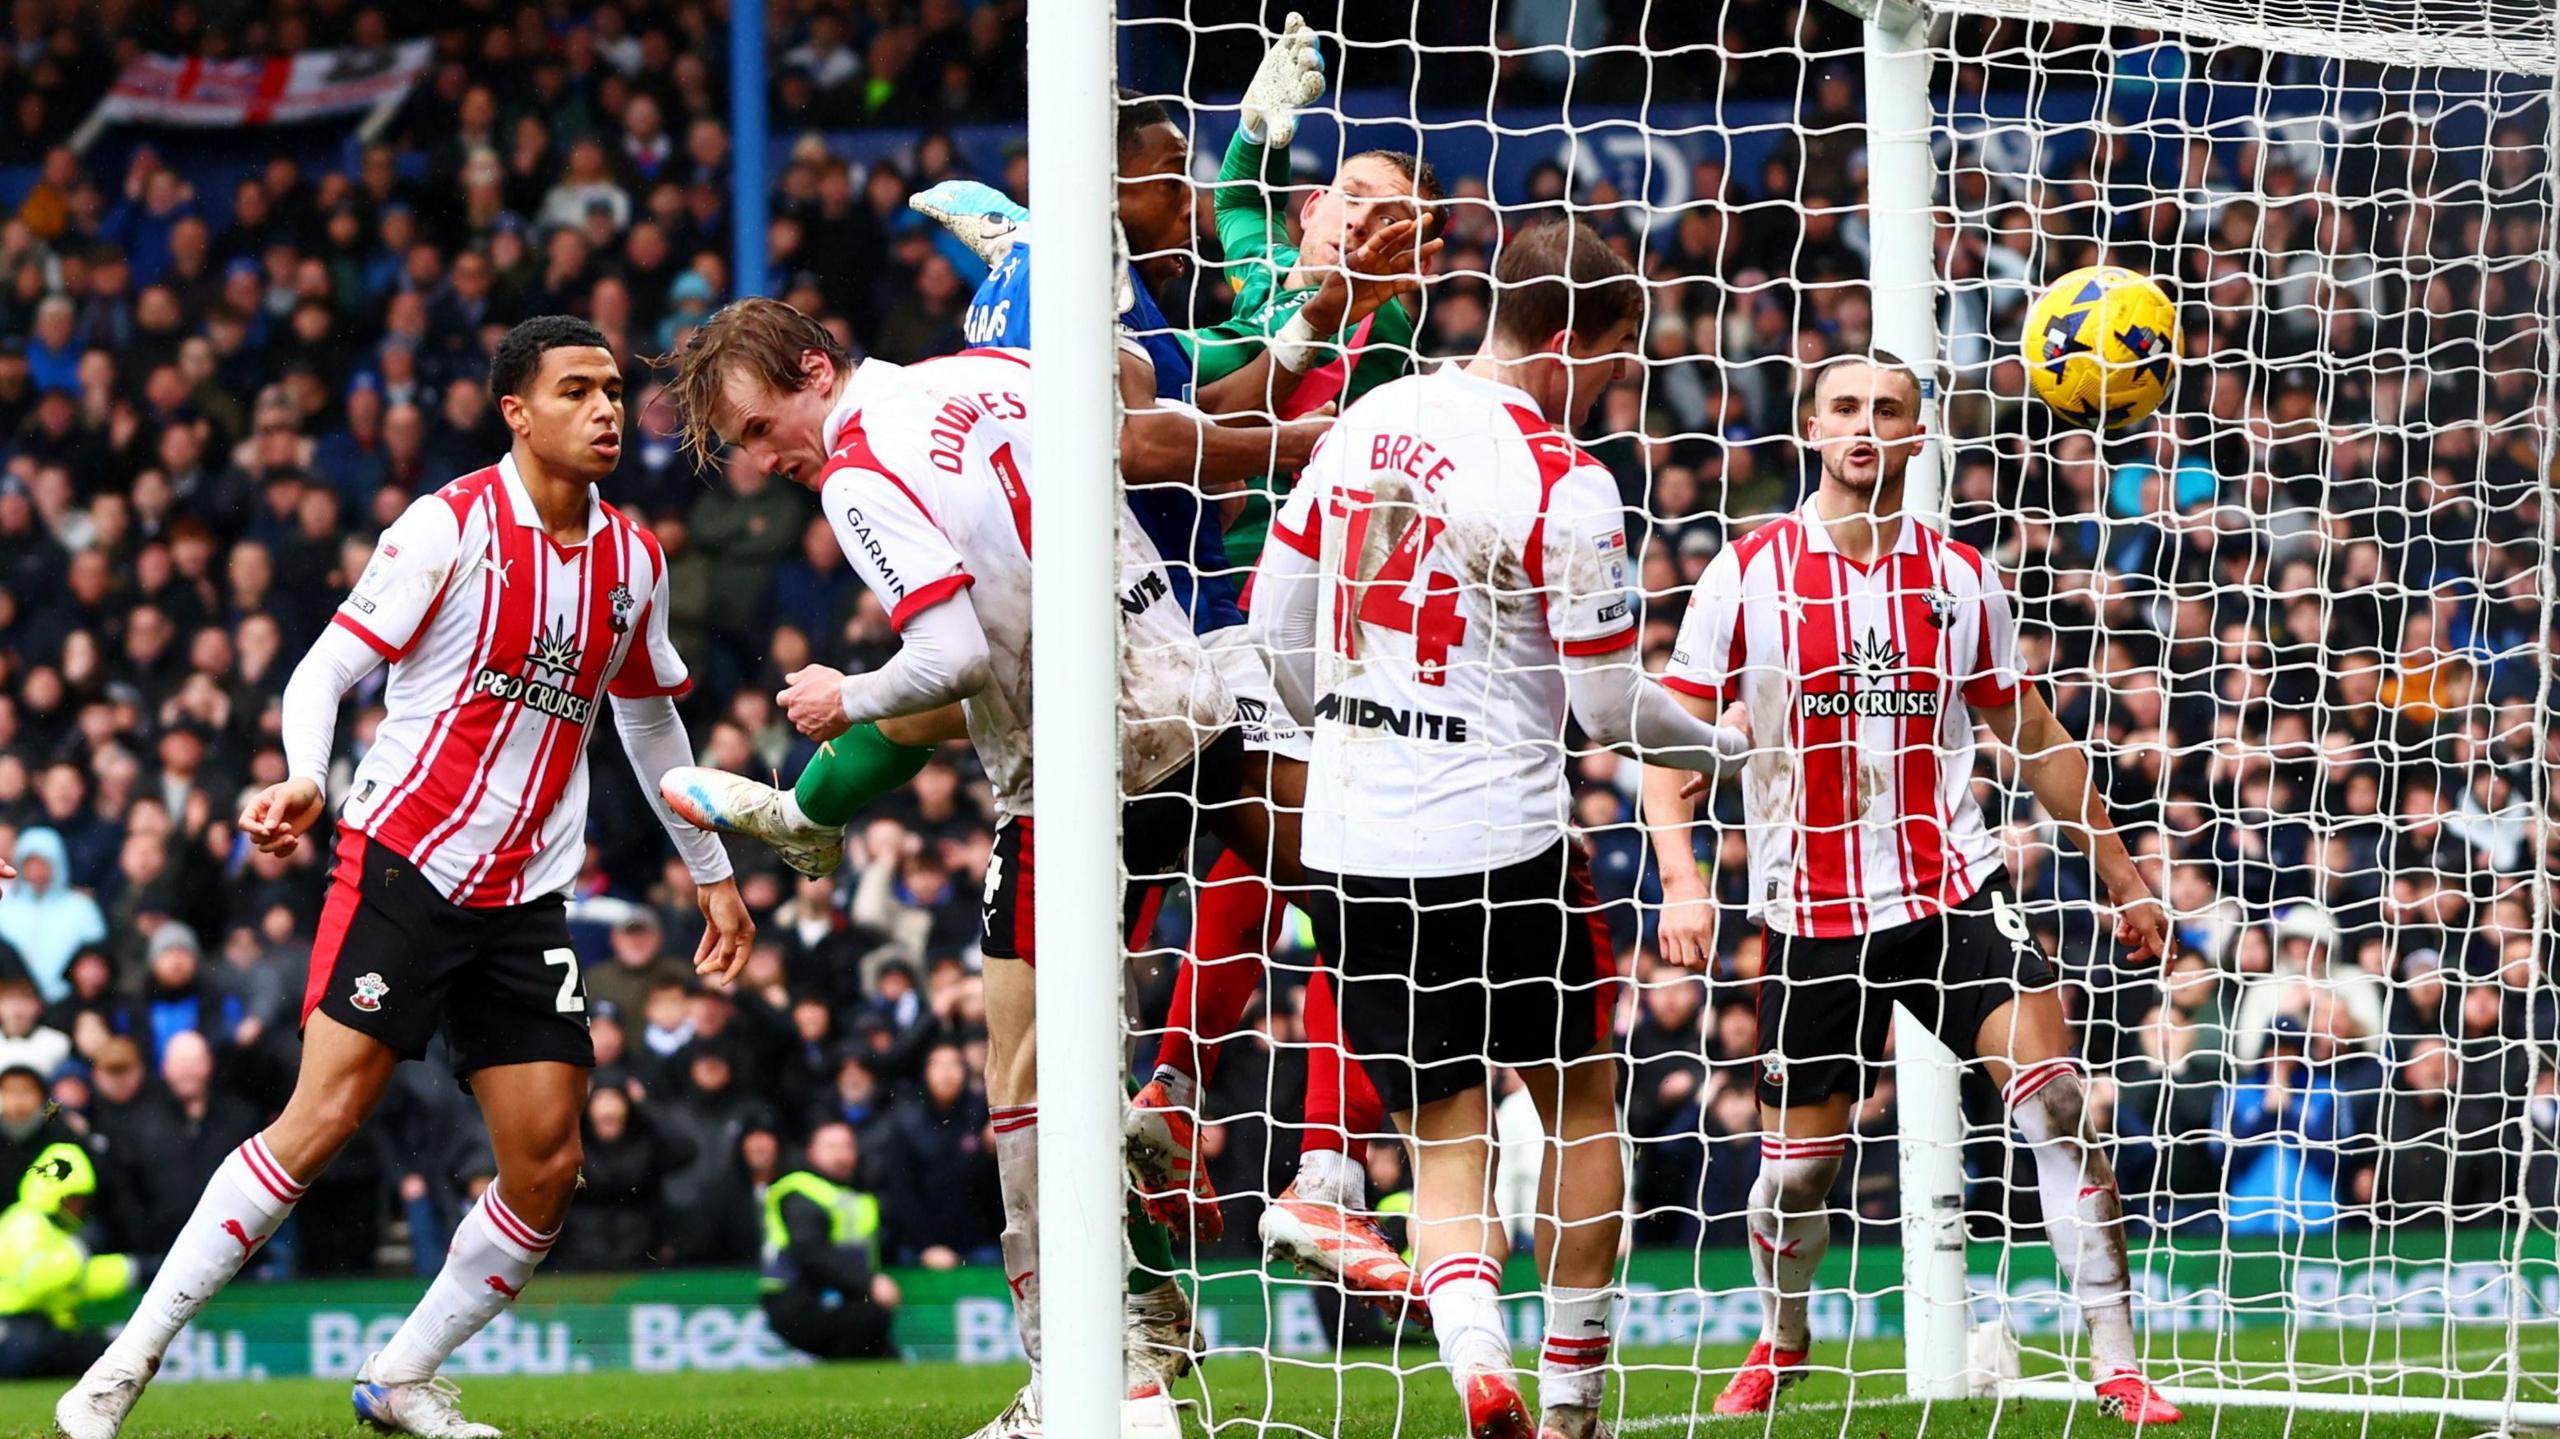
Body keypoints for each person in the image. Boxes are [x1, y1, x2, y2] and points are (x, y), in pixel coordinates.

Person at [54, 317, 756, 1439]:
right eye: (576, 390)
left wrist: (711, 867)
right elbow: (326, 667)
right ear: (516, 411)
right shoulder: (450, 526)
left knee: (548, 1165)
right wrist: (302, 775)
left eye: (614, 389)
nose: (608, 409)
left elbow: (648, 713)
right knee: (323, 1113)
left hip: (526, 894)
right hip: (404, 863)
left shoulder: (635, 558)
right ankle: (123, 1364)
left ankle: (400, 1375)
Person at [656, 297, 1237, 1439]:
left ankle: (1084, 1378)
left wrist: (845, 693)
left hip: (1079, 764)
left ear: (819, 370)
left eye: (767, 429)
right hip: (1189, 689)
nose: (769, 462)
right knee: (1108, 1034)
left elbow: (954, 652)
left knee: (1018, 1073)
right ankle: (1150, 1291)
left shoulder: (859, 470)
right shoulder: (990, 371)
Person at [911, 64, 1434, 1310]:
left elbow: (1223, 360)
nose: (1361, 219)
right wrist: (1259, 131)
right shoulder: (1220, 271)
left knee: (1299, 872)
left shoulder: (1390, 333)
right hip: (1175, 638)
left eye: (1392, 212)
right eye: (1348, 197)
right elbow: (1218, 305)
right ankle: (1208, 1165)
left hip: (1271, 631)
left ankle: (1216, 1145)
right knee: (1290, 870)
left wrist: (1340, 305)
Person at [1249, 217, 1751, 1439]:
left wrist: (1356, 720)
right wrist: (1738, 745)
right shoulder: (1564, 479)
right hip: (1503, 842)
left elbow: (1274, 619)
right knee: (1579, 1105)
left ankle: (1478, 1361)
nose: (1617, 389)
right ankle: (1571, 1399)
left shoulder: (1372, 415)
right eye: (1618, 361)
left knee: (1442, 1138)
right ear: (1571, 339)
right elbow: (1601, 705)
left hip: (1359, 841)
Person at [1639, 351, 2181, 1424]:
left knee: (2060, 1102)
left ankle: (2118, 1363)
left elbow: (2028, 732)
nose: (1864, 427)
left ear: (1916, 435)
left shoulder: (1957, 573)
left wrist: (2125, 879)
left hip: (1951, 890)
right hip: (1808, 912)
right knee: (1797, 1174)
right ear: (1808, 425)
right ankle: (1784, 1333)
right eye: (1844, 407)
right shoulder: (1742, 572)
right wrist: (1681, 881)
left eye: (1887, 410)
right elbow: (1669, 745)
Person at [0, 1144, 147, 1379]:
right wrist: (77, 1249)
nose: (78, 1208)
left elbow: (80, 1280)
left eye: (82, 1201)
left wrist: (134, 1269)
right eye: (72, 1199)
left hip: (43, 1330)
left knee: (106, 1352)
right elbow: (35, 1279)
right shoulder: (24, 1224)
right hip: (14, 1329)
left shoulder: (56, 1230)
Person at [759, 1121, 899, 1360]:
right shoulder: (801, 1189)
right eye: (831, 1147)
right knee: (868, 1321)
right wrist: (868, 1282)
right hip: (797, 1297)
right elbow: (811, 1253)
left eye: (847, 1147)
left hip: (840, 1294)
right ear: (811, 1151)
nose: (841, 1155)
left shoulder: (857, 1193)